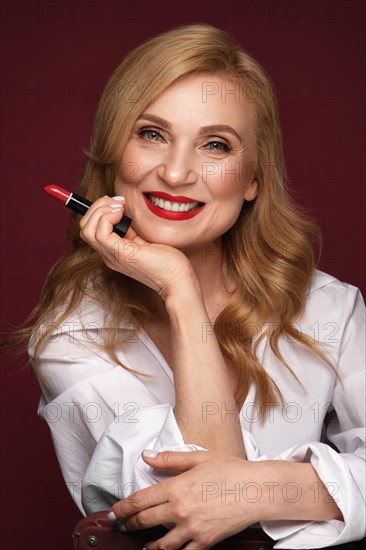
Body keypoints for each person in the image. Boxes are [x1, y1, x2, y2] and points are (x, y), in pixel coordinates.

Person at [21, 24, 364, 549]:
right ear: (116, 153)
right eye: (152, 133)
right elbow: (189, 504)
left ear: (252, 180)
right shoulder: (72, 333)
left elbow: (224, 497)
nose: (177, 172)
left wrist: (259, 490)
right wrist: (180, 291)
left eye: (216, 145)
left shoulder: (330, 307)